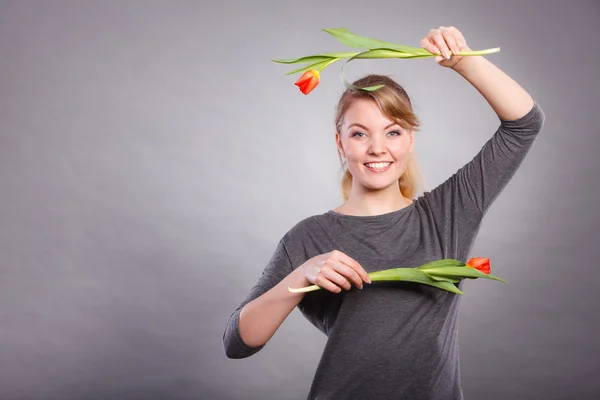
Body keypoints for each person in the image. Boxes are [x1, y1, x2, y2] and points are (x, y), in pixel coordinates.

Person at [222, 26, 545, 400]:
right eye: (360, 134)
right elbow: (238, 342)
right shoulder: (308, 238)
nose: (377, 148)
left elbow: (524, 125)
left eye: (393, 132)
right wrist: (302, 274)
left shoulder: (448, 212)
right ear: (340, 143)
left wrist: (464, 62)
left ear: (410, 139)